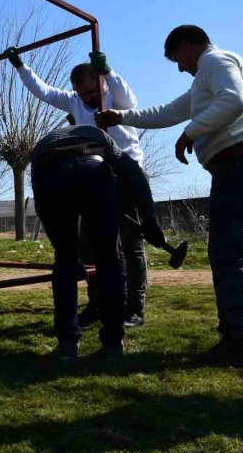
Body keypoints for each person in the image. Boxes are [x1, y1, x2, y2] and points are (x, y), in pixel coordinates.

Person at [96, 25, 243, 367]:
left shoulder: (214, 61)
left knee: (229, 255)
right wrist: (120, 116)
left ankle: (240, 340)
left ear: (186, 46)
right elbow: (167, 111)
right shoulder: (206, 79)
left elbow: (234, 100)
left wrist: (191, 133)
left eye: (177, 60)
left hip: (240, 165)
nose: (181, 68)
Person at [5, 47, 149, 329]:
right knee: (89, 244)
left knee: (130, 243)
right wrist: (21, 67)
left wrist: (107, 70)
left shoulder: (114, 96)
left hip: (126, 171)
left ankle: (134, 308)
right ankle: (98, 303)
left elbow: (130, 100)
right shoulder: (75, 102)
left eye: (91, 92)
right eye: (82, 94)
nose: (88, 98)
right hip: (96, 175)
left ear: (100, 82)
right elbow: (44, 91)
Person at [31, 125, 170, 360]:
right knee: (108, 258)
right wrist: (149, 219)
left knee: (64, 259)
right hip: (94, 172)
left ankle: (67, 344)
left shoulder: (45, 142)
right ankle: (113, 343)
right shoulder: (102, 137)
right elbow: (133, 172)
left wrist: (63, 248)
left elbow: (38, 185)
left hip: (51, 174)